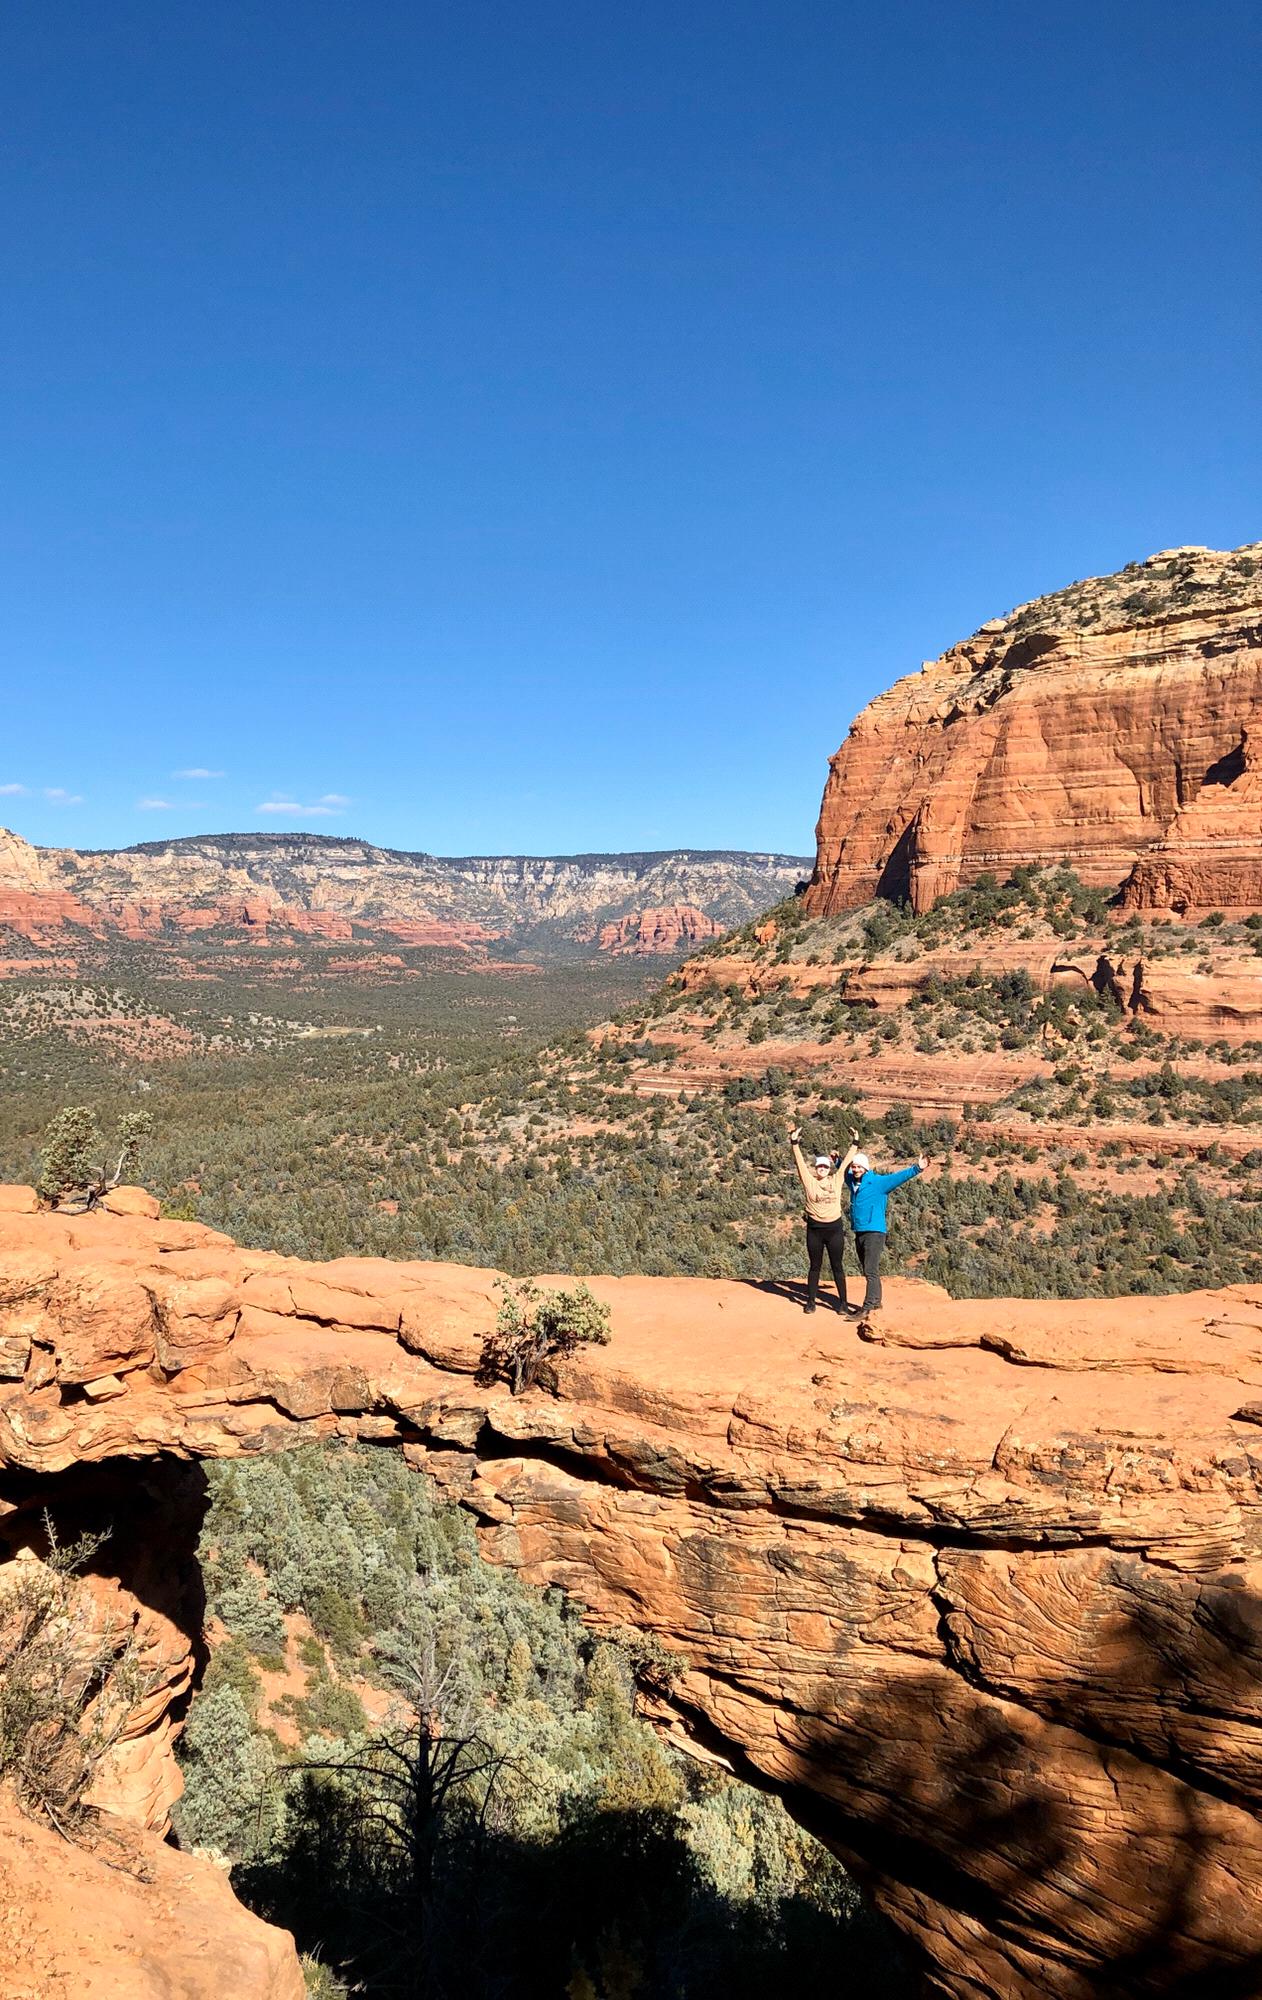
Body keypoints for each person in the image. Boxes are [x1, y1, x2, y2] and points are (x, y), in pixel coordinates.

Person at [845, 1146, 929, 1317]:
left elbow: (898, 1178)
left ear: (866, 1168)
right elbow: (843, 1171)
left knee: (870, 1270)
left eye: (859, 1167)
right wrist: (839, 1161)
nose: (856, 1169)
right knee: (868, 1269)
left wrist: (917, 1168)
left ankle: (867, 1307)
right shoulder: (853, 1182)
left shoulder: (877, 1182)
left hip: (874, 1232)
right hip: (860, 1230)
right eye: (854, 1167)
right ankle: (876, 1303)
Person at [788, 1125, 860, 1314]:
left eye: (825, 1166)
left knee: (837, 1266)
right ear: (816, 1168)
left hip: (834, 1230)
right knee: (815, 1266)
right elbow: (799, 1163)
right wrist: (794, 1142)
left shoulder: (836, 1180)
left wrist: (855, 1142)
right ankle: (811, 1303)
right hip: (815, 1230)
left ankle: (843, 1304)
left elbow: (845, 1165)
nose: (822, 1169)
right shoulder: (809, 1181)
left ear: (829, 1169)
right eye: (819, 1166)